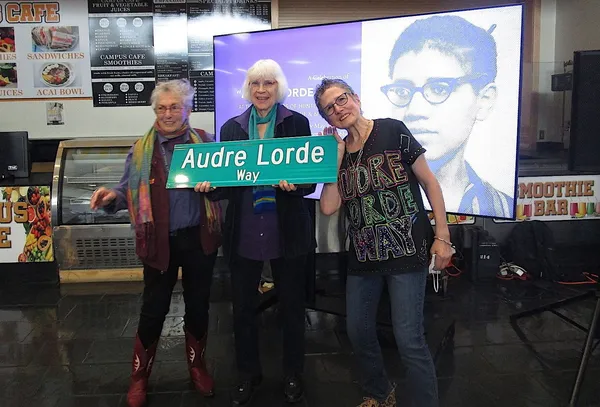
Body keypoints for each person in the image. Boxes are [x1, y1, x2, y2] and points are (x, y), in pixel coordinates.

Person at [315, 78, 453, 407]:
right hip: (363, 258)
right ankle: (379, 392)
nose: (338, 109)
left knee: (409, 340)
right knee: (359, 332)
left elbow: (429, 182)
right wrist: (335, 159)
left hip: (407, 252)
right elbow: (329, 206)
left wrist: (443, 235)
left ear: (356, 97)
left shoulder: (392, 130)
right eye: (329, 109)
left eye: (341, 99)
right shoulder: (339, 154)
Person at [90, 79, 222, 407]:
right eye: (161, 108)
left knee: (198, 306)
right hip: (157, 241)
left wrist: (215, 187)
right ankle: (139, 377)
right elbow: (125, 190)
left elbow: (225, 185)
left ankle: (197, 367)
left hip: (199, 238)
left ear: (187, 109)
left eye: (174, 107)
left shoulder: (206, 141)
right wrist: (111, 197)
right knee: (154, 309)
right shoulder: (140, 149)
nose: (167, 114)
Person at [195, 59, 315, 405]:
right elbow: (227, 183)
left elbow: (309, 179)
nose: (262, 90)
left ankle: (293, 374)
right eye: (255, 84)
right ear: (248, 89)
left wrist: (296, 184)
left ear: (279, 87)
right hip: (245, 228)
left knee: (292, 308)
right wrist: (208, 187)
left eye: (269, 83)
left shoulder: (297, 123)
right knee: (243, 309)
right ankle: (248, 375)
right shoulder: (231, 128)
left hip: (286, 228)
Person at [381, 15, 513, 218]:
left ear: (484, 99)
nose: (415, 110)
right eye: (402, 91)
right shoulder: (371, 196)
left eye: (439, 89)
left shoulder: (500, 206)